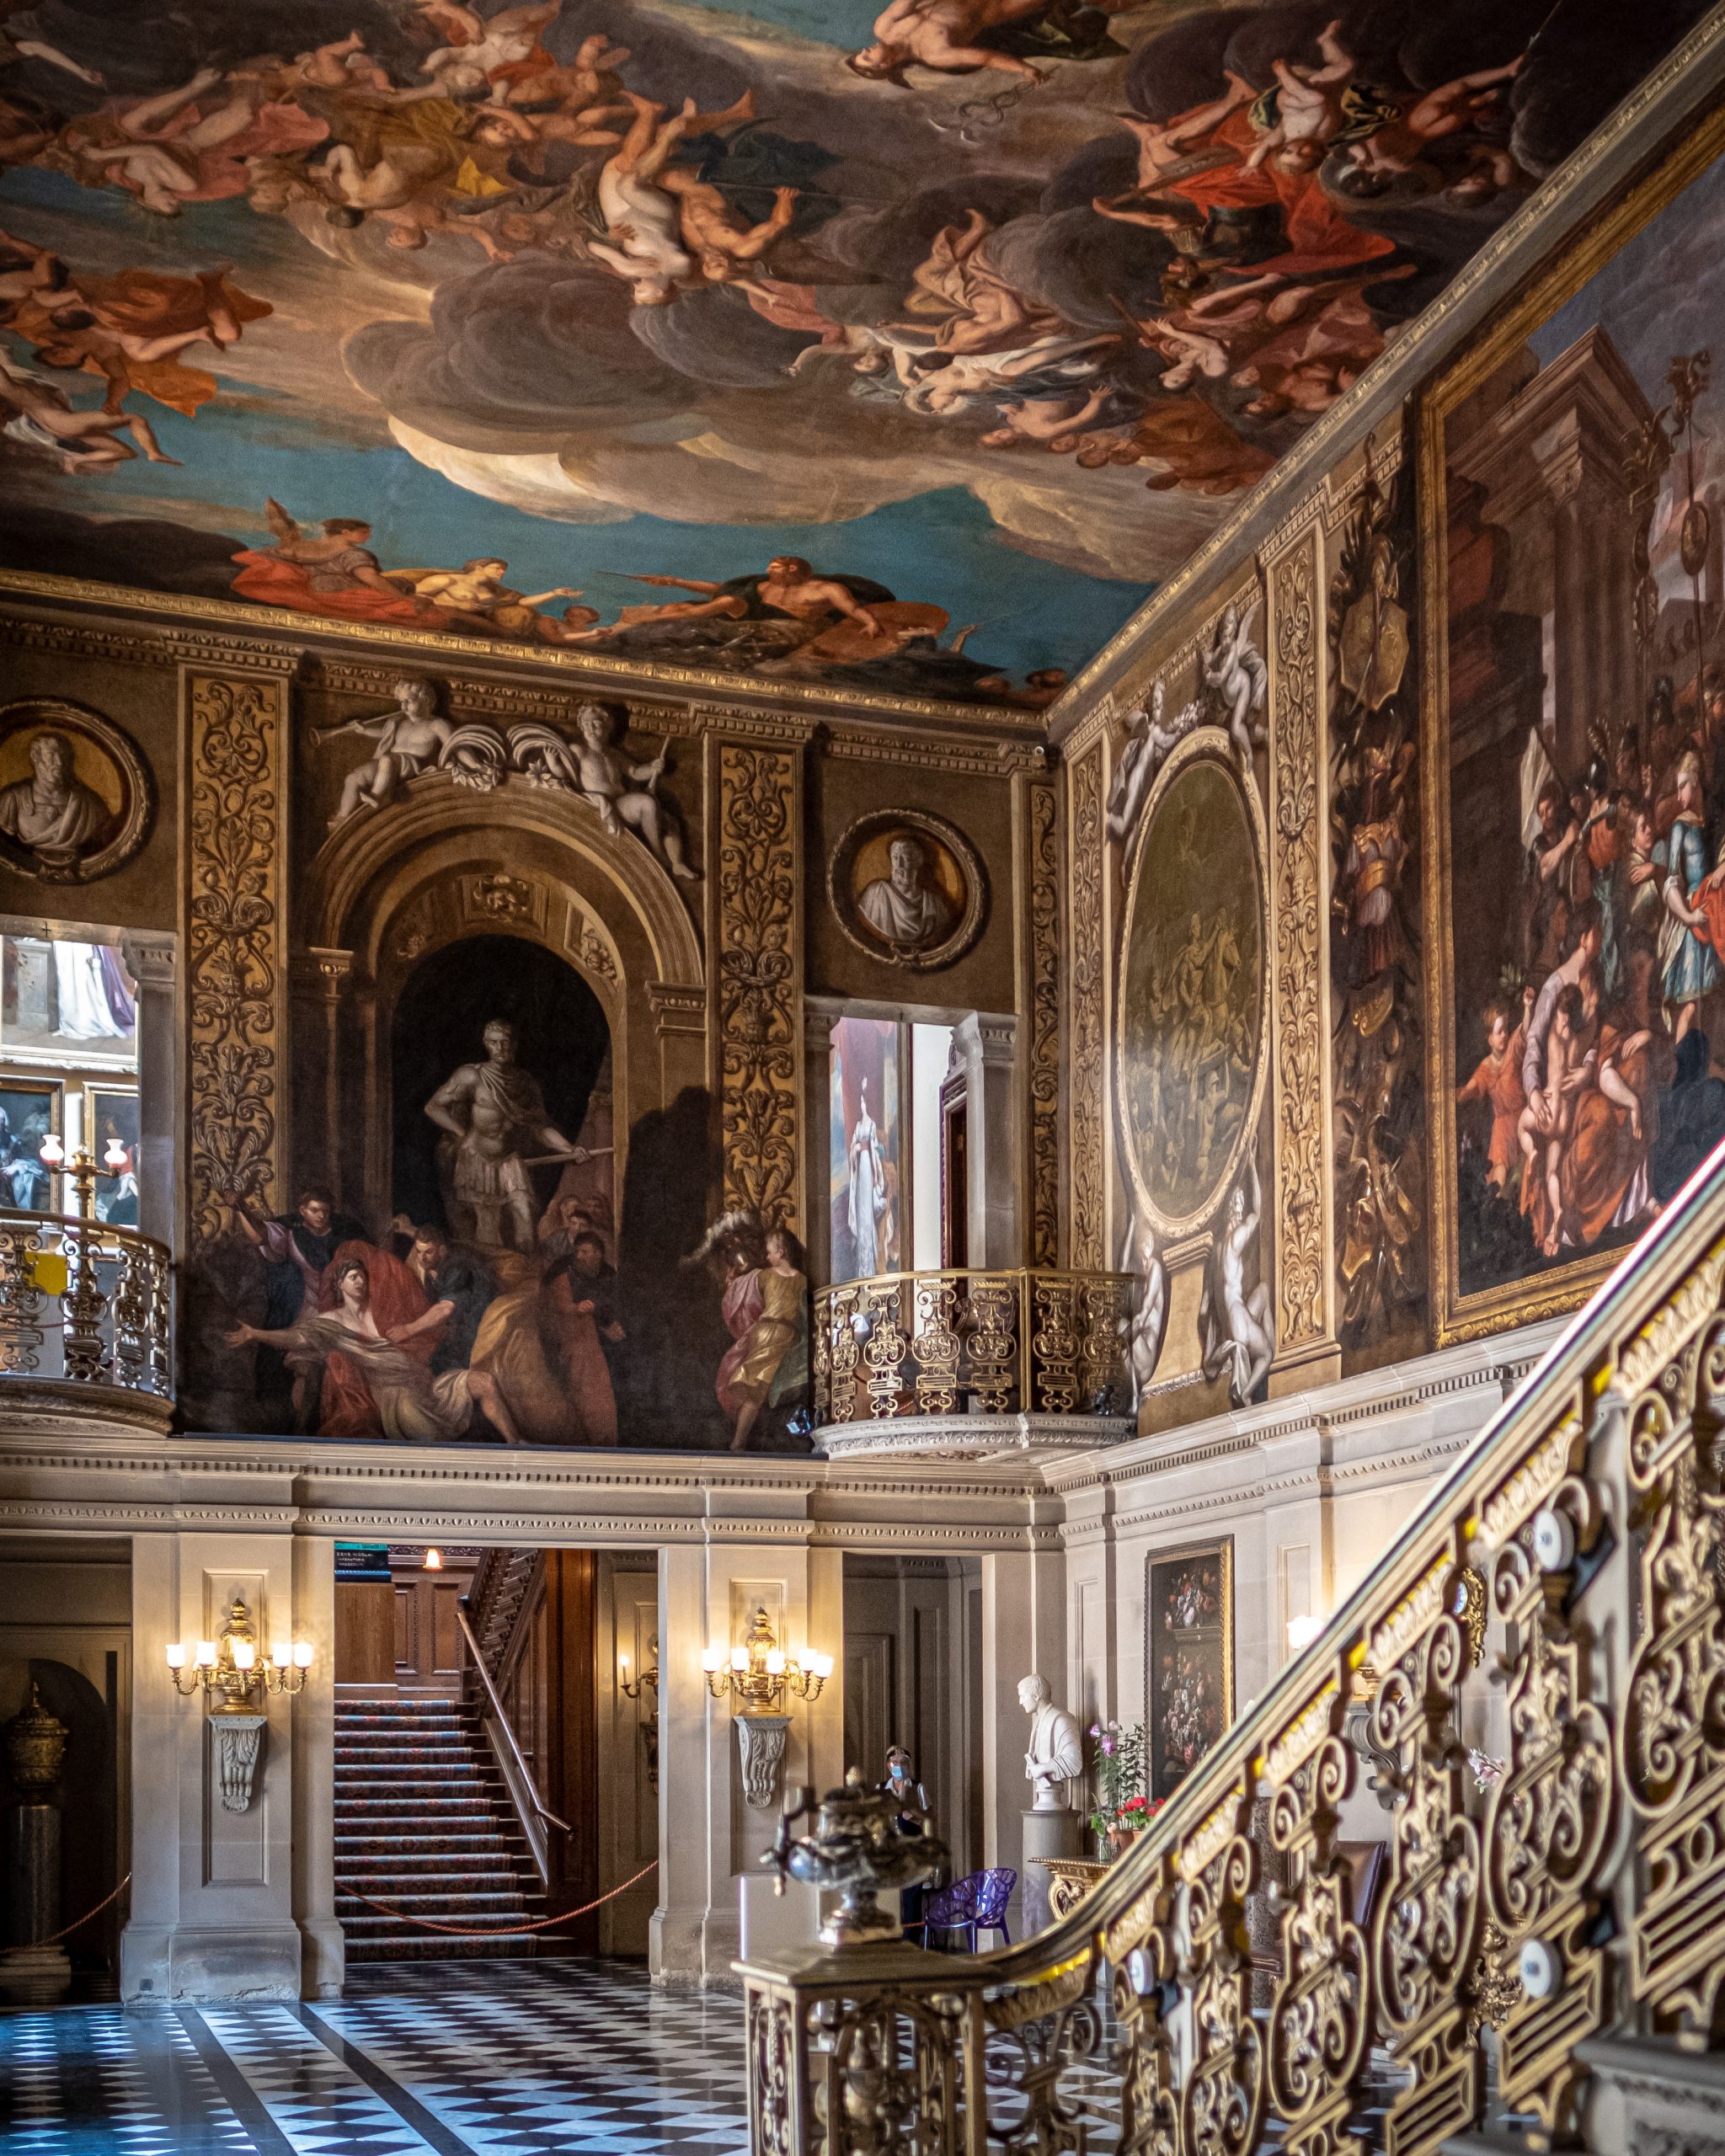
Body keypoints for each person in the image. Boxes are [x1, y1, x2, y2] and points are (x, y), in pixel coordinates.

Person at [227, 1254, 525, 1444]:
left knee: (482, 1381)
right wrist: (255, 1333)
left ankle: (517, 1445)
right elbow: (296, 1339)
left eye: (363, 1276)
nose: (360, 1281)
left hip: (428, 1387)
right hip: (396, 1395)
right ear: (340, 1285)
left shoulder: (383, 1312)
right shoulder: (330, 1321)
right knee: (426, 1433)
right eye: (353, 1277)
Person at [424, 1018, 588, 1250]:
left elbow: (540, 1128)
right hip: (476, 1158)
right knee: (488, 1223)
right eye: (495, 1043)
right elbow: (433, 1107)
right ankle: (498, 1280)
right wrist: (460, 1134)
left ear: (514, 1045)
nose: (501, 1048)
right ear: (486, 1044)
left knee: (524, 1215)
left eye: (506, 1042)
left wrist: (569, 1149)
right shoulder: (471, 1075)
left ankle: (525, 1274)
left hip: (509, 1159)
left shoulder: (525, 1084)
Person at [565, 704, 699, 881]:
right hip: (601, 806)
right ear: (581, 727)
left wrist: (652, 768)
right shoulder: (579, 751)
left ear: (608, 728)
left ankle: (677, 862)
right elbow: (565, 768)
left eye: (596, 724)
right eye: (587, 724)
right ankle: (657, 856)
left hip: (620, 803)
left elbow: (635, 772)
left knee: (669, 822)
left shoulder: (614, 755)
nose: (591, 729)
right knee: (648, 804)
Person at [718, 1224, 809, 1450]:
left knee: (761, 1392)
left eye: (769, 1252)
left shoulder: (768, 1276)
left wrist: (732, 1283)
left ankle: (742, 1441)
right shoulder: (799, 1280)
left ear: (781, 1252)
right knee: (756, 1392)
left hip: (772, 1334)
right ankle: (738, 1442)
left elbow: (742, 1295)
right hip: (779, 1334)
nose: (767, 1257)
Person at [317, 679, 455, 826]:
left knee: (387, 760)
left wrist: (450, 764)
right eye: (402, 702)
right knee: (353, 777)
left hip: (414, 766)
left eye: (409, 701)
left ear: (425, 700)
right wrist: (364, 730)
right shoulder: (400, 722)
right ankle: (342, 817)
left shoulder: (437, 725)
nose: (404, 706)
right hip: (390, 765)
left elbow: (454, 745)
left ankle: (376, 796)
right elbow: (384, 734)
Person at [1199, 1158, 1274, 1405]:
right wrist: (1253, 1165)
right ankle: (1247, 1391)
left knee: (1263, 1290)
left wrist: (1212, 1340)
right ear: (1235, 1209)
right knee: (1266, 1354)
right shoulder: (1235, 1239)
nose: (1242, 1209)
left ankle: (1264, 1369)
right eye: (1239, 1203)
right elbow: (1258, 1213)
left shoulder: (1216, 1254)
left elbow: (1203, 1310)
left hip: (1230, 1321)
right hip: (1239, 1318)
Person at [849, 0, 1054, 83]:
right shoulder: (935, 55)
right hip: (998, 6)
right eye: (867, 57)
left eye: (862, 52)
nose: (866, 49)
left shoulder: (884, 27)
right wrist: (1023, 69)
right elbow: (985, 57)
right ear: (885, 65)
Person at [1456, 990, 1535, 1193]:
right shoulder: (1486, 1067)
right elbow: (1472, 1087)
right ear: (1489, 1038)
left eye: (1505, 1030)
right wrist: (1459, 1094)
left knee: (1527, 1174)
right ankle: (1496, 1207)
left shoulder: (1513, 1049)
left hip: (1524, 1119)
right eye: (1499, 1032)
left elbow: (1525, 1031)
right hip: (1502, 1128)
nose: (1504, 1035)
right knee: (1499, 1172)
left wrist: (1527, 1007)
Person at [398, 1223, 499, 1374]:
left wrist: (407, 1330)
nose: (422, 1258)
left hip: (481, 1323)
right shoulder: (431, 1268)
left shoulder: (457, 1266)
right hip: (457, 1323)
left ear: (442, 1250)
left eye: (428, 1252)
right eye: (419, 1252)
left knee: (443, 1364)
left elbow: (445, 1309)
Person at [0, 732, 109, 868]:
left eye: (63, 756)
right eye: (51, 755)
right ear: (35, 757)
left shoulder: (92, 805)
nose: (59, 763)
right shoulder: (12, 800)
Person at [857, 834, 956, 951]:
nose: (899, 865)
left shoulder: (934, 902)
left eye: (906, 858)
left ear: (917, 863)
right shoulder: (876, 894)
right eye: (895, 858)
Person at [847, 1078, 889, 1278]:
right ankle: (862, 1267)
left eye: (863, 1101)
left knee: (867, 1212)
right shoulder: (857, 1125)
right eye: (860, 1101)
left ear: (867, 1103)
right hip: (859, 1165)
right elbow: (854, 1146)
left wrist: (875, 1175)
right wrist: (855, 1150)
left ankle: (870, 1265)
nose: (861, 1104)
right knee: (861, 1207)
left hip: (866, 1166)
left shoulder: (870, 1124)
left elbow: (873, 1150)